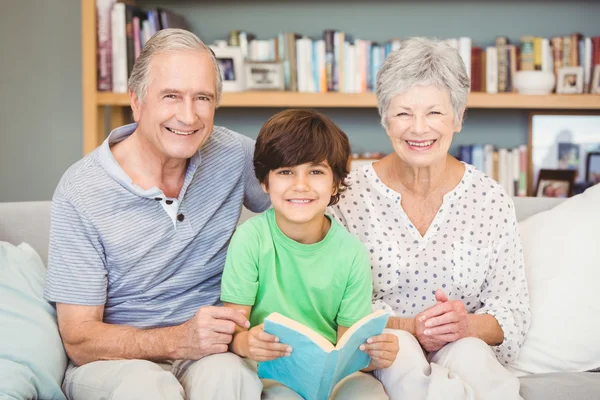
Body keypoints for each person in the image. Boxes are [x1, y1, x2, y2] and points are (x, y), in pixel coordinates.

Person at [44, 29, 270, 399]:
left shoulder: (232, 154)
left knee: (232, 375)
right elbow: (79, 338)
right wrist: (176, 339)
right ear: (136, 102)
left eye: (202, 98)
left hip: (209, 352)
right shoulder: (81, 191)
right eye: (171, 96)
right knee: (149, 388)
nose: (188, 115)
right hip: (115, 364)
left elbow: (303, 195)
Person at [328, 38, 531, 400]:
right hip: (384, 349)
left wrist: (465, 324)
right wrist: (411, 327)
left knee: (470, 353)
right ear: (385, 119)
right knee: (402, 349)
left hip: (463, 345)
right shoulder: (346, 196)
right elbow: (336, 308)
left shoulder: (490, 198)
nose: (419, 128)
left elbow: (512, 311)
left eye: (434, 112)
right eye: (404, 113)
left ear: (458, 117)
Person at [220, 109, 399, 399]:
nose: (300, 185)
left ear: (335, 184)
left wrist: (375, 354)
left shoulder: (351, 253)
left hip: (332, 376)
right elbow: (232, 333)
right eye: (286, 172)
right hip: (268, 372)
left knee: (371, 394)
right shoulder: (250, 240)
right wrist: (245, 344)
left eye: (315, 172)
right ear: (265, 182)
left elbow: (349, 345)